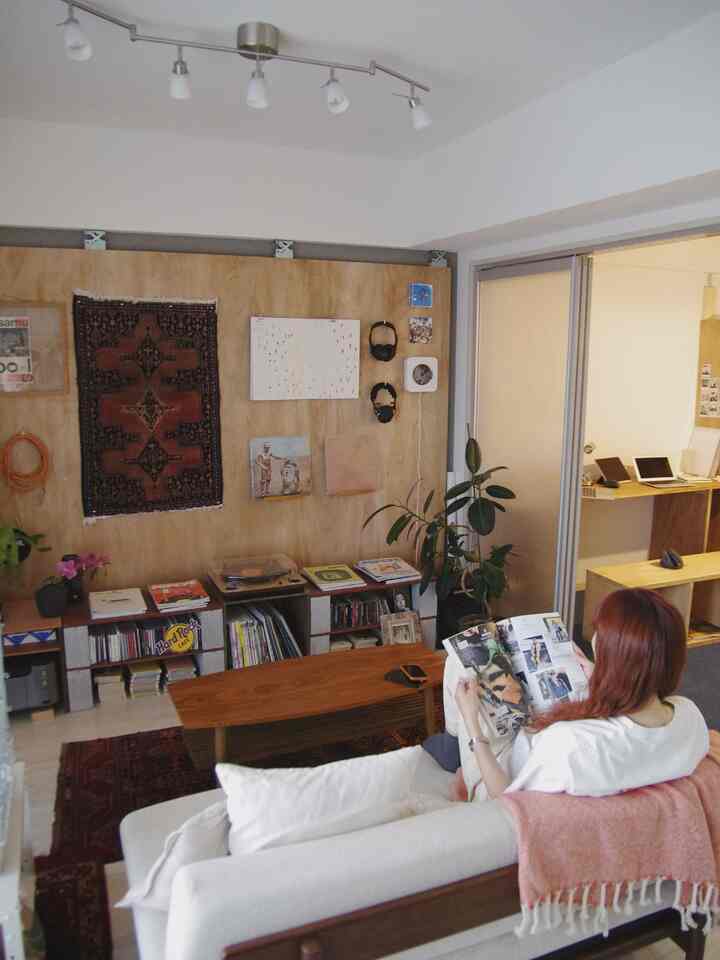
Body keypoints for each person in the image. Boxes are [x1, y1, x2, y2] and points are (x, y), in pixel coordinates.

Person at [449, 588, 709, 801]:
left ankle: (461, 770)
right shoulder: (690, 717)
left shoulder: (571, 745)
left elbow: (505, 803)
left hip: (507, 765)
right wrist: (601, 674)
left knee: (456, 668)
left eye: (601, 637)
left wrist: (473, 725)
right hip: (555, 752)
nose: (594, 638)